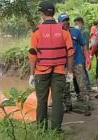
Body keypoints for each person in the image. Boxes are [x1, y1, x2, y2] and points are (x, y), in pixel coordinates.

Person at [28, 1, 74, 131]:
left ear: (42, 13)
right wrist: (70, 72)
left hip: (41, 72)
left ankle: (42, 130)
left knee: (41, 101)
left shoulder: (36, 31)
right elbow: (70, 53)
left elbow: (32, 55)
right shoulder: (64, 30)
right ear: (53, 13)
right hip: (59, 71)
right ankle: (56, 130)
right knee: (58, 101)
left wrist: (31, 74)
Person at [58, 13, 91, 116]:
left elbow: (84, 44)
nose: (66, 22)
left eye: (67, 20)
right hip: (64, 65)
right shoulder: (58, 34)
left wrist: (87, 57)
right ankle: (68, 106)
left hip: (77, 62)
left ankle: (87, 106)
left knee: (82, 85)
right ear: (59, 22)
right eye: (64, 20)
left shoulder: (76, 32)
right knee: (65, 86)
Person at [74, 16, 92, 97]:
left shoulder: (85, 32)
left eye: (77, 23)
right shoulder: (79, 31)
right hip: (79, 54)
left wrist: (87, 55)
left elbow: (86, 44)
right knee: (82, 71)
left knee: (84, 71)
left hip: (83, 54)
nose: (76, 25)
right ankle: (84, 89)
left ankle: (88, 88)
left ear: (81, 22)